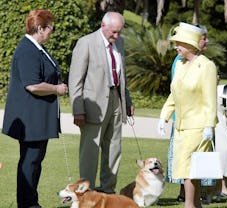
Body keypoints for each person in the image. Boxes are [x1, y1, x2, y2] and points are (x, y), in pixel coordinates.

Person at [1, 9, 68, 208]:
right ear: (40, 28)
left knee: (34, 162)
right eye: (50, 29)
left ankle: (31, 201)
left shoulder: (38, 48)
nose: (51, 33)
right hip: (31, 119)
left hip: (38, 117)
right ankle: (28, 203)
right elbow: (32, 85)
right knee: (30, 162)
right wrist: (56, 88)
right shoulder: (27, 50)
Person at [68, 12, 134, 194]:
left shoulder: (119, 43)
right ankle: (85, 193)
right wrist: (77, 110)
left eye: (119, 32)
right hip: (92, 107)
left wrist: (127, 100)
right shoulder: (85, 43)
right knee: (90, 152)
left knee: (114, 150)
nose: (117, 36)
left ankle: (108, 190)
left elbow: (122, 75)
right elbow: (75, 81)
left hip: (116, 101)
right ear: (103, 25)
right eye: (114, 32)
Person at [158, 22, 217, 208]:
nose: (176, 47)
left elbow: (210, 99)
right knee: (189, 168)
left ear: (190, 44)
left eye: (179, 43)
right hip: (181, 127)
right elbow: (174, 94)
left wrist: (209, 125)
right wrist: (164, 115)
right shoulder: (181, 64)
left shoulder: (206, 66)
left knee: (189, 169)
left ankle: (189, 205)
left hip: (199, 127)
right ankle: (195, 205)